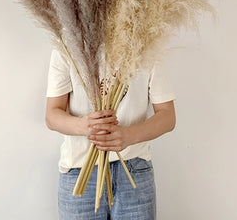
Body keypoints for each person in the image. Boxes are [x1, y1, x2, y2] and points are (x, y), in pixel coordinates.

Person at [45, 48, 176, 220]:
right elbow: (52, 115)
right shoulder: (68, 43)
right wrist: (84, 126)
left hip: (134, 169)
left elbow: (167, 116)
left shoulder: (147, 41)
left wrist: (129, 135)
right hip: (79, 170)